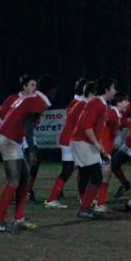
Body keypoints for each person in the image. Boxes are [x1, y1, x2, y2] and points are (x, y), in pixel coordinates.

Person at [0, 74, 57, 233]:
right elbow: (28, 123)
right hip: (9, 139)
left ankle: (18, 218)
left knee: (24, 179)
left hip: (10, 138)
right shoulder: (38, 101)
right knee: (13, 181)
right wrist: (32, 150)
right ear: (52, 91)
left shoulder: (30, 99)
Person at [70, 77, 116, 219]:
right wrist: (99, 148)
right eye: (113, 88)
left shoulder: (99, 103)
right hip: (82, 142)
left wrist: (100, 148)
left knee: (86, 175)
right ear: (107, 90)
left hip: (82, 142)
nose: (114, 91)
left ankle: (85, 207)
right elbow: (86, 126)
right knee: (96, 176)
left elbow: (94, 130)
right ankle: (84, 209)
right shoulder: (97, 103)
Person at [44, 78, 88, 209]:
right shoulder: (80, 104)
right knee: (79, 169)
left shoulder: (75, 102)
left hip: (67, 140)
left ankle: (54, 197)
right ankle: (82, 198)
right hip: (70, 141)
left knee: (73, 169)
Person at [93, 92, 131, 213]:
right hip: (102, 150)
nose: (127, 103)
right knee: (104, 175)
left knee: (101, 175)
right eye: (125, 101)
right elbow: (103, 120)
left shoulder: (118, 115)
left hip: (104, 150)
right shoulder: (112, 113)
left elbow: (128, 123)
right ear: (118, 103)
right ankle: (99, 204)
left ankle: (94, 202)